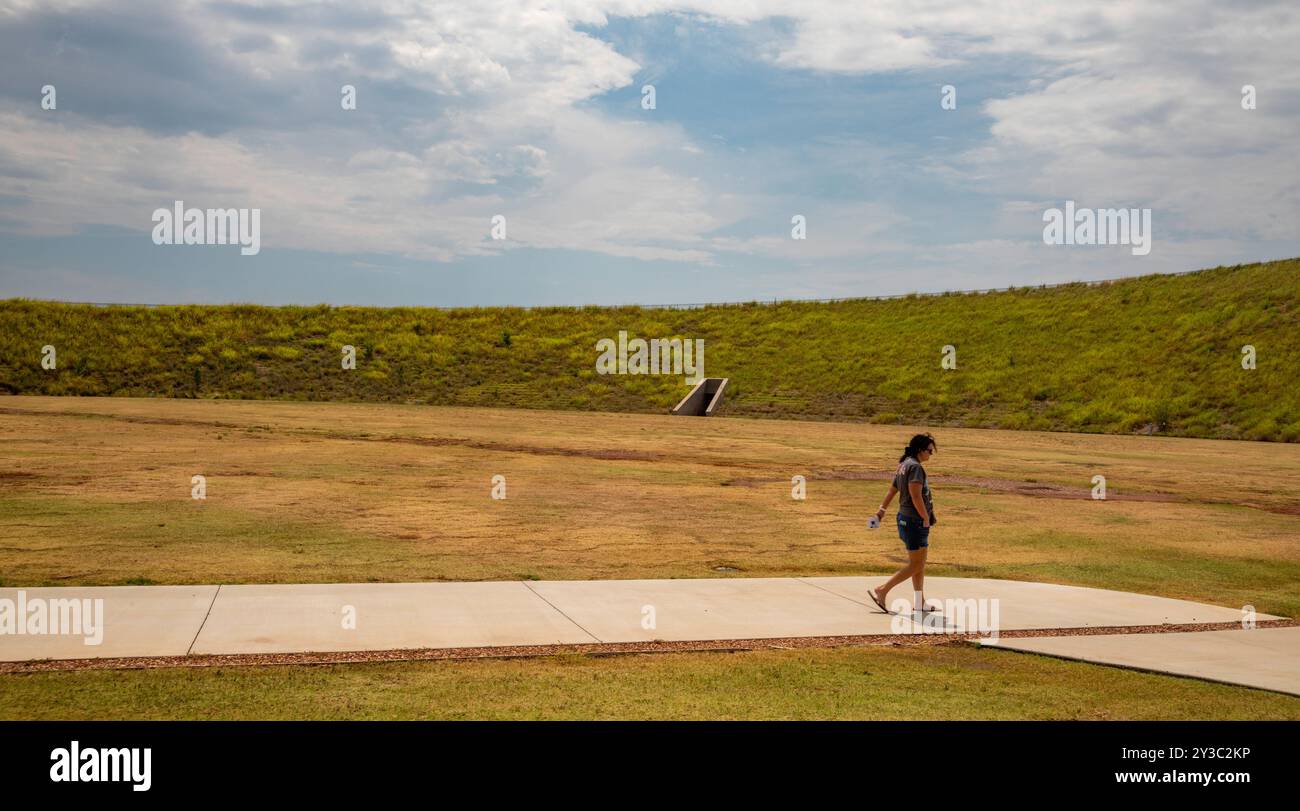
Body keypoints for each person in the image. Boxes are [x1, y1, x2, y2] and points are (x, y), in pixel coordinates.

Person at [868, 433, 940, 613]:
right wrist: (925, 517)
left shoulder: (904, 465)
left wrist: (881, 511)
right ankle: (882, 590)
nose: (931, 454)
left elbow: (893, 490)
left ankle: (919, 602)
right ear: (921, 450)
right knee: (916, 564)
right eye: (930, 451)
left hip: (907, 519)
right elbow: (915, 495)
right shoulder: (915, 467)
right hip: (914, 521)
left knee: (919, 563)